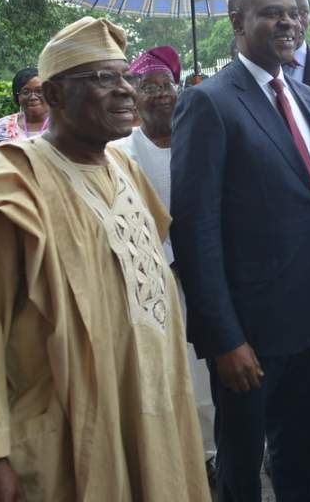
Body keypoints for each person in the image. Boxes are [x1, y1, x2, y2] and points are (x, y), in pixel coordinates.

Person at [0, 17, 209, 501]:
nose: (125, 92)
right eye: (101, 79)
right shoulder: (10, 188)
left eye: (125, 77)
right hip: (66, 438)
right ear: (51, 97)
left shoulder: (125, 167)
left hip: (153, 418)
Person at [171, 0, 310, 502]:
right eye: (270, 13)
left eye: (293, 13)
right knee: (242, 467)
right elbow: (196, 231)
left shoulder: (308, 97)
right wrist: (224, 339)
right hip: (250, 335)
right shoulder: (209, 104)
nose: (287, 22)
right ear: (237, 23)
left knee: (301, 458)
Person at [109, 45, 217, 465]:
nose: (159, 94)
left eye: (166, 85)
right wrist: (169, 254)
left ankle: (212, 449)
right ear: (135, 97)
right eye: (148, 86)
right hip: (152, 274)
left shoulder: (203, 139)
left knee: (208, 366)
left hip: (208, 270)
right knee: (164, 365)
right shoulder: (120, 153)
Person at [0, 67, 50, 146]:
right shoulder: (0, 128)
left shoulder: (66, 128)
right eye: (26, 92)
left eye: (39, 91)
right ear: (17, 96)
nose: (33, 97)